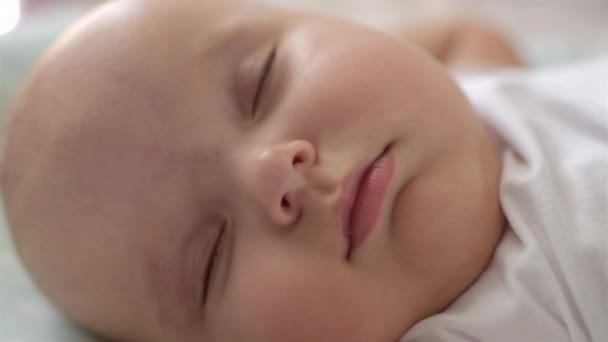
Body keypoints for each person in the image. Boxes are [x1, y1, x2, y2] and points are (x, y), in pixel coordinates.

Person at [1, 0, 606, 341]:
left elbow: (462, 31)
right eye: (211, 256)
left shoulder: (472, 95)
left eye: (261, 82)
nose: (272, 173)